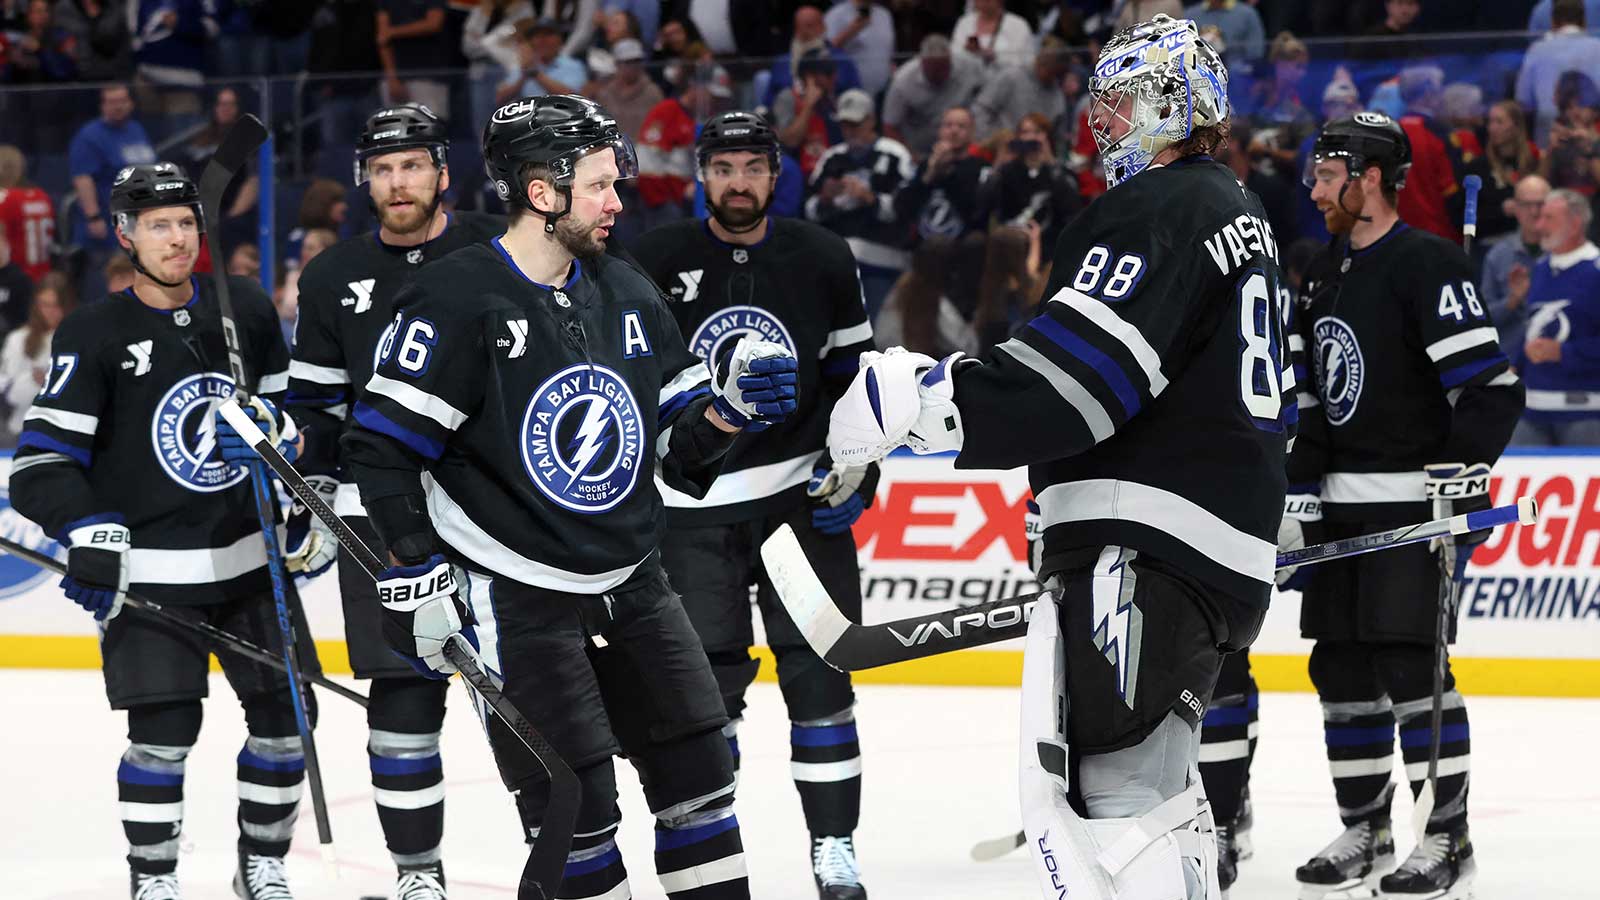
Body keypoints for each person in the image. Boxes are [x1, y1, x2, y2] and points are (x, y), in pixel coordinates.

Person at [829, 15, 1289, 900]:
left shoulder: (1162, 205)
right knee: (1160, 797)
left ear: (1172, 104)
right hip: (1207, 554)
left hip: (1146, 552)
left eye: (1120, 104)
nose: (1101, 125)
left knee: (1118, 812)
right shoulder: (1242, 214)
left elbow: (1074, 385)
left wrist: (924, 403)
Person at [342, 93, 797, 899]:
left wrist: (731, 411)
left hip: (635, 586)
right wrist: (416, 567)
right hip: (516, 602)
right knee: (576, 815)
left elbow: (678, 455)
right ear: (541, 193)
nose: (617, 201)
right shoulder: (455, 299)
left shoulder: (625, 287)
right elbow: (379, 450)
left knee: (704, 789)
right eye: (596, 185)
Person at [9, 162, 316, 900]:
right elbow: (40, 463)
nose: (176, 238)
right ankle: (154, 879)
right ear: (125, 234)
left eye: (185, 222)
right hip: (154, 581)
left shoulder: (243, 306)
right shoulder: (94, 329)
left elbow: (298, 423)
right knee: (161, 742)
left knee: (286, 726)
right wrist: (89, 529)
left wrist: (278, 437)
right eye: (157, 225)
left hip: (250, 565)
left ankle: (261, 866)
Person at [631, 111, 878, 900]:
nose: (738, 182)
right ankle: (714, 857)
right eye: (724, 167)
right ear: (703, 174)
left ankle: (833, 850)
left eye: (752, 167)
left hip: (799, 507)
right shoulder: (655, 257)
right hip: (690, 512)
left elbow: (854, 382)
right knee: (704, 698)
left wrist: (860, 471)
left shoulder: (822, 256)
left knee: (824, 680)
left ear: (777, 174)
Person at [1291, 112, 1524, 899]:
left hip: (1409, 514)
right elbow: (1315, 399)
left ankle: (1448, 837)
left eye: (1326, 175)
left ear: (1369, 178)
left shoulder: (1426, 264)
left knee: (1409, 667)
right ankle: (1367, 825)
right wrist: (1299, 487)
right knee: (1341, 668)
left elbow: (1490, 389)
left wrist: (1462, 470)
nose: (1312, 188)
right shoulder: (1321, 272)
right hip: (1340, 513)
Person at [285, 103, 502, 900]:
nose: (398, 181)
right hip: (381, 518)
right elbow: (314, 410)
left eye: (412, 165)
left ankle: (569, 861)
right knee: (403, 697)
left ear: (443, 173)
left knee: (532, 688)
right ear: (364, 181)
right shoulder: (333, 277)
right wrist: (285, 448)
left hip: (499, 513)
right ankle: (419, 876)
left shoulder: (494, 246)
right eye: (383, 168)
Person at [804, 88, 915, 320]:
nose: (849, 131)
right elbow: (808, 210)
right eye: (844, 124)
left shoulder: (895, 154)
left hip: (881, 253)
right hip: (836, 255)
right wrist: (825, 200)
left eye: (855, 124)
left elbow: (907, 209)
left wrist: (869, 198)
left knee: (869, 320)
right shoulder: (832, 157)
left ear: (872, 121)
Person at [1513, 188, 1600, 445]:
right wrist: (1515, 364)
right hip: (1531, 411)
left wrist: (1564, 352)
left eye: (1548, 218)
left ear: (1575, 223)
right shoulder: (1540, 268)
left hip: (1584, 414)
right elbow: (1535, 329)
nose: (1539, 226)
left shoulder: (1596, 270)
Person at [880, 34, 983, 161]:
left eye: (943, 68)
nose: (939, 74)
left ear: (950, 59)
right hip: (919, 151)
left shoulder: (969, 64)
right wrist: (911, 158)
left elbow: (987, 88)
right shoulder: (903, 81)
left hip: (964, 150)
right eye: (934, 70)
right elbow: (890, 126)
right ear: (922, 62)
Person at [1481, 174, 1549, 360]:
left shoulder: (1566, 253)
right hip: (1509, 363)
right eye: (1527, 205)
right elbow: (1482, 321)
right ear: (1515, 208)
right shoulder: (1498, 255)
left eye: (1541, 204)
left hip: (1555, 363)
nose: (1534, 212)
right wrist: (1512, 300)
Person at [0, 269, 72, 440]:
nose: (50, 311)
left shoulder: (81, 337)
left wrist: (54, 382)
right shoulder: (18, 339)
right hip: (22, 430)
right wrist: (33, 381)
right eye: (45, 304)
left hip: (67, 431)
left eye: (56, 305)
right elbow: (8, 392)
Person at [1516, 0, 1600, 144]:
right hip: (1585, 141)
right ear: (1584, 21)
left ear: (1553, 22)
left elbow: (1523, 100)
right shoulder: (1598, 48)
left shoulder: (1537, 50)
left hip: (1550, 140)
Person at [971, 36, 1069, 141]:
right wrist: (988, 140)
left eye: (1058, 74)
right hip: (999, 147)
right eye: (1050, 70)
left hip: (1035, 152)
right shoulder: (1011, 77)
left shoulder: (1057, 95)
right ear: (1039, 63)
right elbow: (981, 109)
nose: (1053, 77)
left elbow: (1057, 134)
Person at [823, 0, 894, 96]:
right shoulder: (836, 15)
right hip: (850, 92)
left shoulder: (884, 15)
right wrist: (851, 31)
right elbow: (825, 52)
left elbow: (889, 51)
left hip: (883, 92)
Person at [950, 0, 1034, 71]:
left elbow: (1027, 62)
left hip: (1005, 83)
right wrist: (968, 51)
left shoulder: (1018, 25)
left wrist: (995, 57)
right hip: (969, 82)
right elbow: (953, 55)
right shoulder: (964, 22)